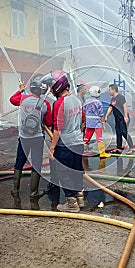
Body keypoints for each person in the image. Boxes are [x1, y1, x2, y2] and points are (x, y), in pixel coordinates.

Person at [9, 80, 53, 209]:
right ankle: (33, 192)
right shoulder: (45, 104)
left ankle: (15, 189)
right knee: (36, 164)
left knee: (19, 162)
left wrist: (21, 90)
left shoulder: (22, 99)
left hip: (23, 138)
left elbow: (12, 99)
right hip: (37, 138)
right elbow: (49, 121)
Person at [48, 70, 85, 213]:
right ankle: (80, 198)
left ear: (57, 87)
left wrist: (52, 148)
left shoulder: (59, 103)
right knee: (77, 170)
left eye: (52, 87)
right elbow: (83, 122)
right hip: (78, 142)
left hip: (65, 145)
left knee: (65, 173)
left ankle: (71, 204)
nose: (51, 90)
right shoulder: (77, 100)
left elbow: (57, 129)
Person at [105, 84, 135, 155]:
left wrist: (125, 116)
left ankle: (132, 147)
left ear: (113, 89)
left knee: (124, 132)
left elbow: (125, 106)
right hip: (117, 119)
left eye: (110, 90)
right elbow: (110, 108)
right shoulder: (113, 99)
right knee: (118, 133)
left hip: (123, 118)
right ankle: (119, 148)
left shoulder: (120, 97)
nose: (109, 91)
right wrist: (106, 116)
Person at [83, 86, 110, 158]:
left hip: (89, 122)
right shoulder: (98, 102)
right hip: (97, 122)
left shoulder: (86, 101)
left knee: (86, 137)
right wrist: (103, 123)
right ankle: (102, 153)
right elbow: (101, 114)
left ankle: (81, 151)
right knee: (99, 138)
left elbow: (84, 111)